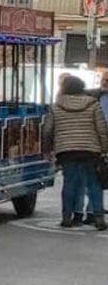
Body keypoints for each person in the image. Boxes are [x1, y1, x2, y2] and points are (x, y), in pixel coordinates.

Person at [49, 73, 108, 229]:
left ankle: (67, 217)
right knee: (94, 183)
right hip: (90, 150)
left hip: (66, 150)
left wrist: (48, 149)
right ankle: (98, 218)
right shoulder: (93, 104)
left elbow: (48, 130)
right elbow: (101, 129)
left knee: (70, 184)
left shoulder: (56, 107)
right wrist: (104, 149)